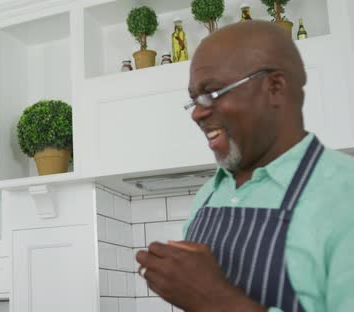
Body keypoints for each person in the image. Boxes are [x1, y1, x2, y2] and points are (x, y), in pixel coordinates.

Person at [136, 21, 354, 312]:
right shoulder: (209, 196)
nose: (197, 114)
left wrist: (217, 301)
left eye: (212, 93)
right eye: (194, 100)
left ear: (274, 87)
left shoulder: (344, 194)